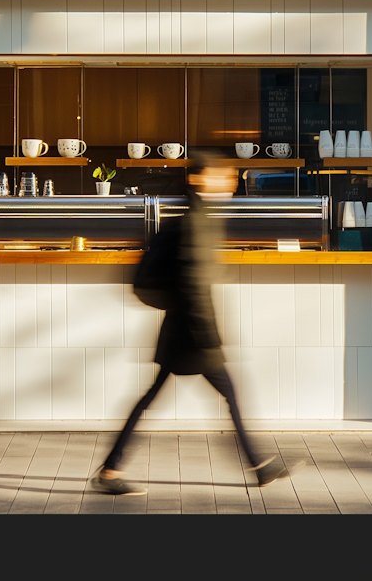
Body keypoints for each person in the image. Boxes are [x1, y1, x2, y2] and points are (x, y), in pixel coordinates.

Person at [92, 155, 289, 496]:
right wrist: (209, 337)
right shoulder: (195, 222)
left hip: (181, 330)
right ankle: (259, 466)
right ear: (199, 180)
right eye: (222, 177)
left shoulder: (197, 217)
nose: (230, 182)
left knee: (157, 398)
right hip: (193, 334)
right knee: (221, 396)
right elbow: (193, 284)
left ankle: (111, 470)